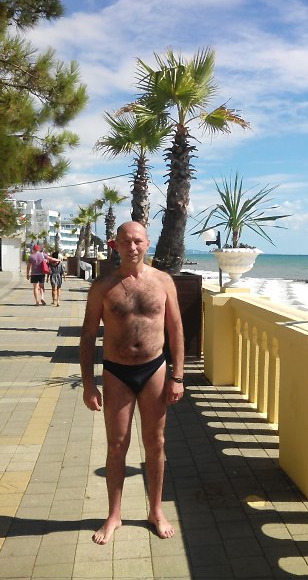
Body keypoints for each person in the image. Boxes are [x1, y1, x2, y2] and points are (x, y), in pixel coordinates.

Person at [80, 221, 184, 545]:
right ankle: (114, 515)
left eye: (138, 241)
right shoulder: (102, 286)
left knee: (156, 443)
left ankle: (156, 511)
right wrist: (88, 384)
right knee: (116, 445)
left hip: (154, 369)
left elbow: (176, 330)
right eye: (125, 242)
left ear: (147, 243)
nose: (132, 247)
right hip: (116, 372)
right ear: (115, 245)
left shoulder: (163, 281)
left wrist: (178, 377)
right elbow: (87, 336)